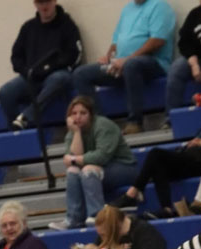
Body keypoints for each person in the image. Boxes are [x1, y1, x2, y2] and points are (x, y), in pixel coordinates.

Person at [73, 0, 176, 135]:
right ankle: (101, 125)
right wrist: (108, 57)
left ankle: (135, 122)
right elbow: (116, 41)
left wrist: (127, 59)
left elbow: (157, 41)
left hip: (153, 64)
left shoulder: (160, 6)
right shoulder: (127, 10)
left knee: (132, 65)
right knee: (81, 74)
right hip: (122, 65)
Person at [117, 91, 201, 218]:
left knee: (156, 154)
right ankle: (166, 208)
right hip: (189, 160)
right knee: (157, 163)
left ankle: (133, 193)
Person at [0, 0, 82, 130]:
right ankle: (17, 130)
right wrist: (27, 71)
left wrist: (50, 68)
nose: (44, 5)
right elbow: (16, 57)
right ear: (35, 4)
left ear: (54, 1)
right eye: (40, 2)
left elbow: (75, 54)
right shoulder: (28, 27)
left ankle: (26, 118)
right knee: (5, 92)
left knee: (59, 79)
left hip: (57, 74)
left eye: (47, 1)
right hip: (32, 76)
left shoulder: (67, 25)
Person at [48, 95, 137, 230]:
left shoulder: (103, 126)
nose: (78, 117)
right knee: (73, 171)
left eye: (83, 113)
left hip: (124, 167)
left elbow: (102, 156)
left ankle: (97, 215)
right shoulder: (73, 131)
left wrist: (75, 159)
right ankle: (74, 219)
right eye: (74, 113)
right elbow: (72, 163)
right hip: (96, 172)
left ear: (91, 115)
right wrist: (77, 133)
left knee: (88, 169)